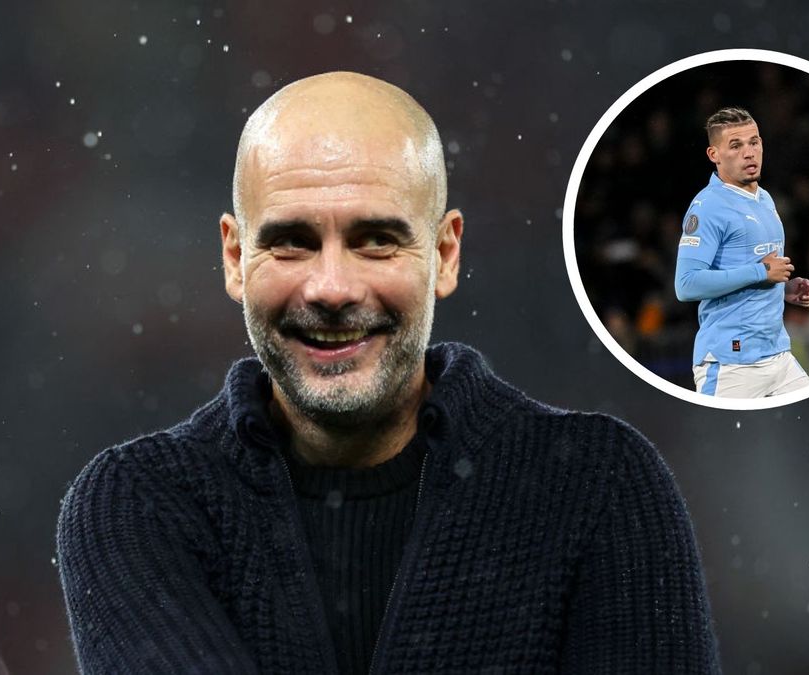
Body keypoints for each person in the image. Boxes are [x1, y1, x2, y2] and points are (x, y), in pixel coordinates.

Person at [57, 72, 721, 674]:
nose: (333, 287)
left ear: (444, 252)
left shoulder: (597, 484)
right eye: (291, 241)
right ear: (234, 257)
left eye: (376, 239)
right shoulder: (135, 505)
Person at [674, 107, 809, 398]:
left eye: (754, 142)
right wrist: (762, 273)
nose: (749, 152)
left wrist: (784, 287)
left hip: (778, 356)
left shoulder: (763, 198)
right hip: (731, 364)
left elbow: (753, 271)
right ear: (714, 155)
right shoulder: (708, 207)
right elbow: (686, 284)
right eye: (736, 146)